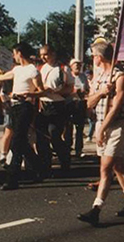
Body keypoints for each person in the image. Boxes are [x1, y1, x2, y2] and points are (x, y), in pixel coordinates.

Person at [77, 42, 124, 226]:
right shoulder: (99, 77)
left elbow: (117, 105)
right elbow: (89, 103)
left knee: (105, 167)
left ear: (100, 57)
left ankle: (96, 209)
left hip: (117, 125)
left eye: (94, 55)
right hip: (100, 123)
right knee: (118, 166)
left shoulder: (121, 76)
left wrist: (104, 128)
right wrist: (102, 92)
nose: (92, 59)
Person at [0, 43, 45, 190]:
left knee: (16, 142)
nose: (13, 56)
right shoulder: (17, 69)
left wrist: (29, 94)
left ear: (20, 54)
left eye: (14, 53)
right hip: (14, 107)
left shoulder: (32, 70)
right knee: (20, 141)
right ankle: (39, 167)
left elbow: (42, 91)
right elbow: (2, 77)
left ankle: (12, 179)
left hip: (25, 106)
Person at [36, 45, 72, 173]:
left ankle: (65, 161)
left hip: (57, 105)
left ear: (53, 54)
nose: (43, 57)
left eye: (45, 54)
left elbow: (70, 88)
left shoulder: (63, 69)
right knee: (41, 137)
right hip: (42, 104)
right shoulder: (40, 68)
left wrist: (56, 91)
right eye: (41, 55)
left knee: (54, 135)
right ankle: (45, 165)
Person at [64, 58, 89, 158]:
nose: (78, 66)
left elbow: (87, 89)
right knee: (68, 128)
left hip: (80, 103)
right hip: (70, 103)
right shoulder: (68, 76)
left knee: (79, 128)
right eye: (76, 65)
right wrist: (74, 90)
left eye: (79, 65)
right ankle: (67, 148)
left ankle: (79, 149)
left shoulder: (83, 76)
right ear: (71, 66)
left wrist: (84, 92)